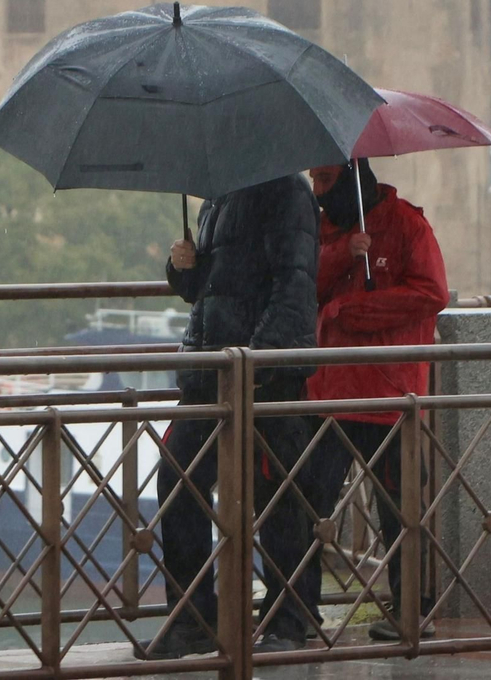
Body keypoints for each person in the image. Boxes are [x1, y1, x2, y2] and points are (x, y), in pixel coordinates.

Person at [136, 173, 320, 660]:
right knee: (178, 481)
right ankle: (194, 618)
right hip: (209, 373)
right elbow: (209, 290)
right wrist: (183, 270)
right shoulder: (217, 197)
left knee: (277, 496)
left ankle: (289, 619)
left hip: (263, 377)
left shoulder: (288, 192)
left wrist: (258, 359)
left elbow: (294, 285)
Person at [303, 159, 448, 642]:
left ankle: (411, 610)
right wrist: (344, 253)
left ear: (350, 177)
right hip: (330, 392)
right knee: (305, 501)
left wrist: (353, 311)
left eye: (325, 180)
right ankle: (297, 610)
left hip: (390, 394)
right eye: (314, 181)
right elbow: (305, 285)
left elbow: (432, 292)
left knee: (401, 509)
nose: (318, 191)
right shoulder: (323, 228)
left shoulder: (407, 224)